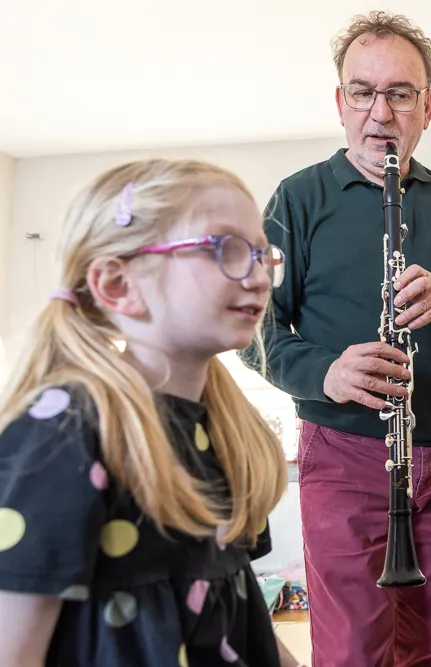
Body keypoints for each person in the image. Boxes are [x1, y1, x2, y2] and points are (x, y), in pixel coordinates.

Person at [239, 10, 431, 667]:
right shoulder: (298, 200)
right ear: (341, 103)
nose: (380, 113)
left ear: (427, 107)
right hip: (344, 450)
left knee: (428, 640)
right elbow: (252, 325)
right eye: (362, 92)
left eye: (399, 93)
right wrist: (326, 372)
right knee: (353, 648)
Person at [0, 158, 304, 667]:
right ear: (118, 285)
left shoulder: (229, 432)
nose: (258, 277)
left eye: (261, 253)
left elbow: (235, 611)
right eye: (224, 249)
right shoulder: (65, 431)